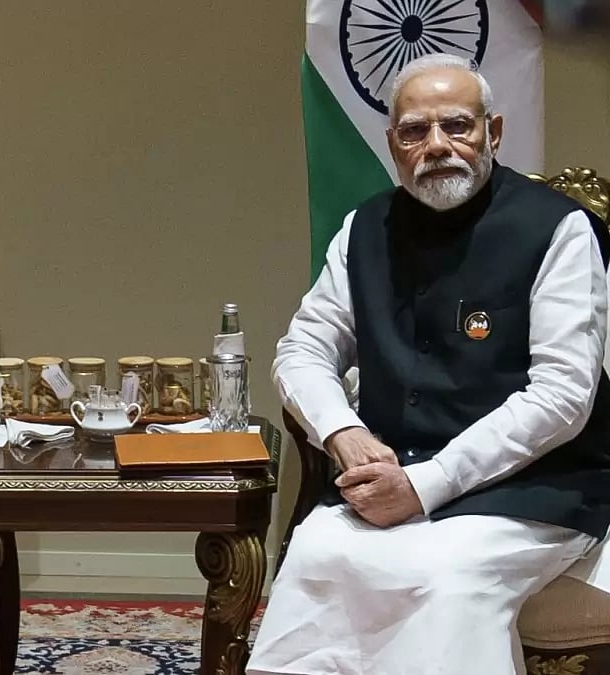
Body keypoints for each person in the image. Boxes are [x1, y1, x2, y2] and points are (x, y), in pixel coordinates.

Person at [248, 52, 610, 674]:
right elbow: (303, 348)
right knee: (317, 551)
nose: (436, 146)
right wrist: (344, 431)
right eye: (415, 132)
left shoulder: (559, 229)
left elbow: (562, 396)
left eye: (457, 126)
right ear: (393, 143)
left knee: (445, 575)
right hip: (395, 482)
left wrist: (425, 486)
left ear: (492, 133)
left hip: (533, 490)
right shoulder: (363, 228)